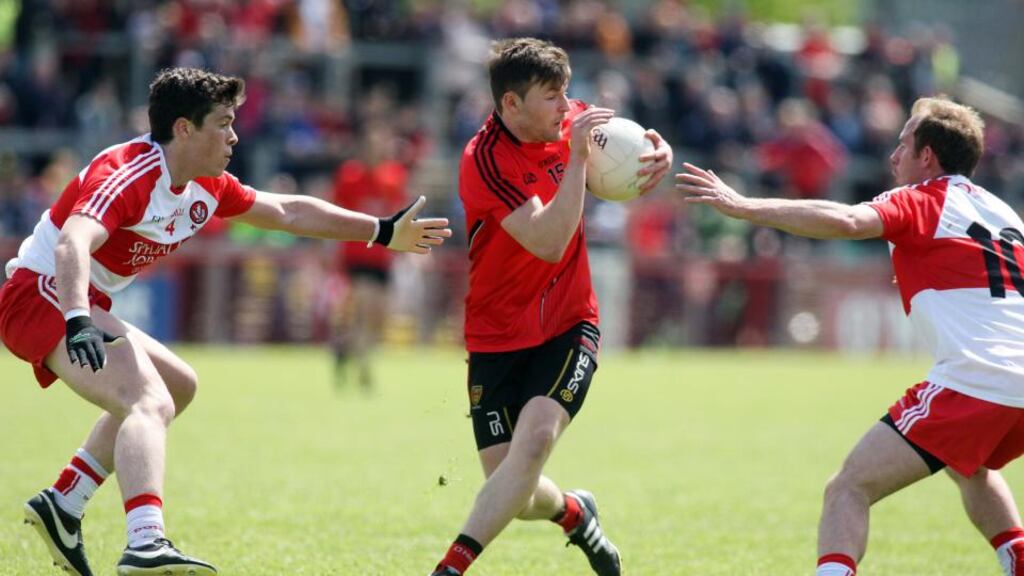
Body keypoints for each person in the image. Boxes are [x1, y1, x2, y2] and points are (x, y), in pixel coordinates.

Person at [1, 67, 451, 576]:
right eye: (223, 122)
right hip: (43, 294)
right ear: (185, 129)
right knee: (147, 400)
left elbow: (286, 212)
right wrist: (77, 315)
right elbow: (72, 241)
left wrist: (382, 231)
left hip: (78, 298)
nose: (235, 135)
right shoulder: (129, 171)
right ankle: (145, 543)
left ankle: (64, 503)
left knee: (179, 384)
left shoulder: (205, 185)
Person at [676, 96, 1024, 576]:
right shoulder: (1002, 211)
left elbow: (847, 220)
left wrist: (742, 205)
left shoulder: (924, 198)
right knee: (968, 463)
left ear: (928, 157)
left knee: (848, 487)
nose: (892, 156)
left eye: (903, 145)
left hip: (978, 378)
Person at [429, 38, 672, 576]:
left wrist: (659, 153)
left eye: (567, 94)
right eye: (551, 97)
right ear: (510, 105)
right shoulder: (484, 160)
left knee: (534, 441)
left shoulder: (572, 120)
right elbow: (548, 241)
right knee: (512, 488)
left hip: (569, 322)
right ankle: (575, 512)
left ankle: (450, 567)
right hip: (496, 334)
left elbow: (637, 144)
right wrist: (581, 162)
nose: (567, 108)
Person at [330, 122, 409, 390]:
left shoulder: (394, 176)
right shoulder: (350, 176)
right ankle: (364, 370)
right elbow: (336, 212)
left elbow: (400, 213)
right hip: (358, 254)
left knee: (379, 316)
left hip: (382, 257)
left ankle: (345, 349)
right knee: (365, 310)